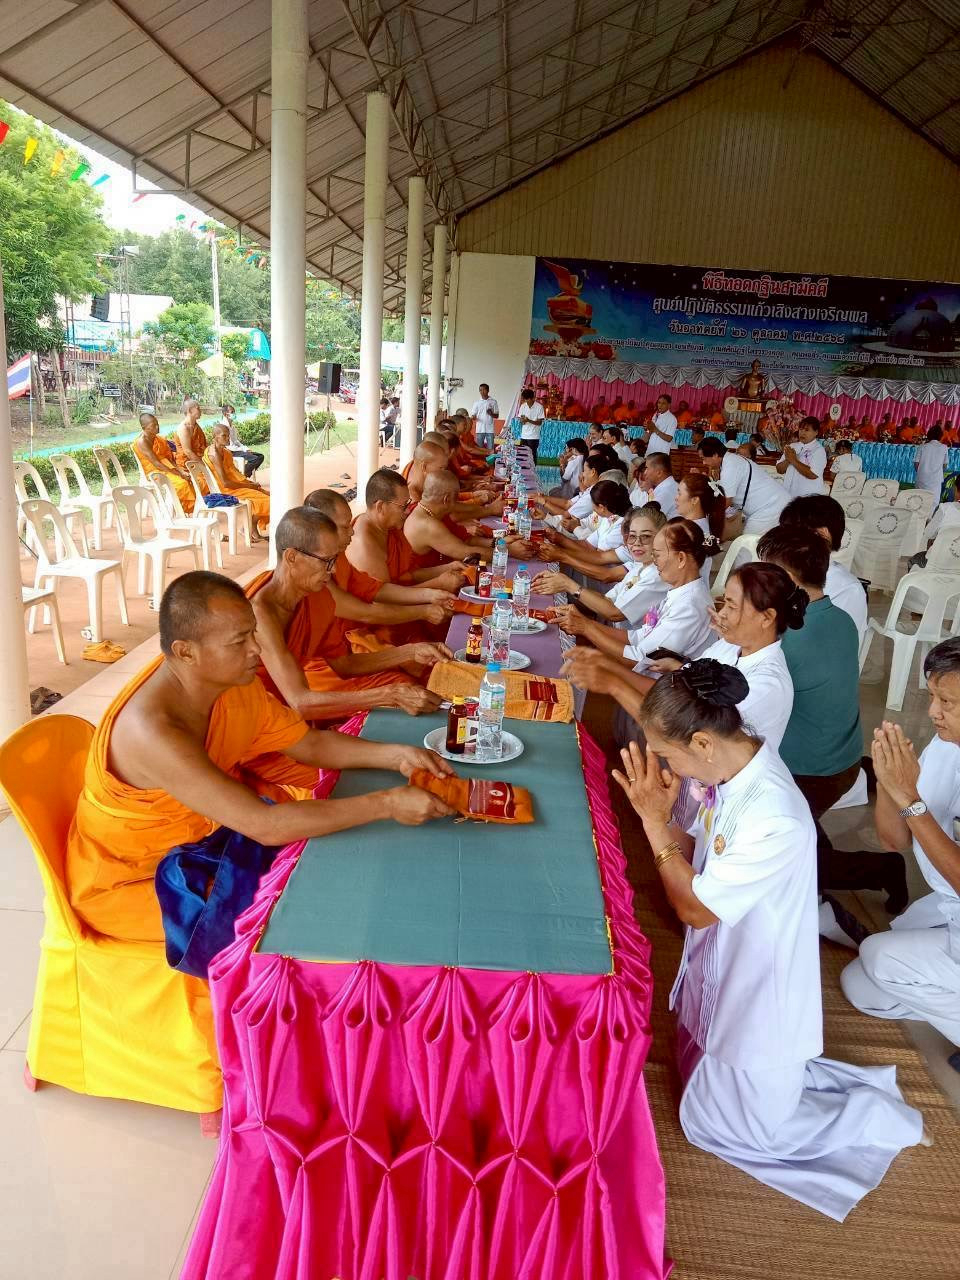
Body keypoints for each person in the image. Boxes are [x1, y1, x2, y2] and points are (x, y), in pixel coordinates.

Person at [614, 661, 923, 1221]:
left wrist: (652, 824)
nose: (667, 764)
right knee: (706, 1091)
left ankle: (878, 1120)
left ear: (704, 742)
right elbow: (695, 848)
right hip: (727, 955)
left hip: (762, 979)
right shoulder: (730, 768)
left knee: (748, 1136)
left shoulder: (774, 814)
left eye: (669, 754)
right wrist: (667, 812)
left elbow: (696, 908)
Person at [65, 571, 455, 945]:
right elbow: (265, 825)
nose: (257, 649)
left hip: (211, 839)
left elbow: (308, 745)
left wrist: (399, 755)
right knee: (291, 921)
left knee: (334, 862)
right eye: (239, 642)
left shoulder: (232, 686)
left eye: (253, 632)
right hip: (141, 879)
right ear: (186, 652)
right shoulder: (153, 732)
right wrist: (387, 803)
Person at [757, 525, 907, 926]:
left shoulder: (792, 639)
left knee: (796, 862)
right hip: (840, 758)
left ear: (787, 581)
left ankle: (884, 869)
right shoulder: (838, 617)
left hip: (811, 770)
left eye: (765, 573)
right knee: (801, 830)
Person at [841, 638, 960, 1050]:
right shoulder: (945, 746)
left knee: (878, 956)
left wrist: (910, 799)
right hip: (949, 909)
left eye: (947, 702)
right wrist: (891, 785)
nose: (932, 713)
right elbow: (896, 839)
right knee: (863, 987)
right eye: (933, 697)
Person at [248, 507, 448, 721]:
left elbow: (345, 664)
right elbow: (300, 703)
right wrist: (389, 694)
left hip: (286, 716)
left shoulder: (318, 596)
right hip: (251, 720)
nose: (333, 570)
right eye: (326, 561)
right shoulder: (259, 613)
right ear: (292, 557)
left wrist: (411, 652)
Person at [650, 562, 800, 750]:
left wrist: (616, 684)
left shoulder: (767, 685)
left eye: (732, 606)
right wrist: (677, 667)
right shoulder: (728, 647)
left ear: (767, 617)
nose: (722, 613)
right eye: (724, 602)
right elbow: (692, 678)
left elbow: (690, 725)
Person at [557, 519, 714, 679]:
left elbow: (642, 659)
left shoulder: (690, 605)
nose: (654, 560)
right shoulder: (680, 591)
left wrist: (586, 628)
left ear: (681, 559)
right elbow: (639, 636)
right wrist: (585, 623)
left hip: (664, 692)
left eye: (658, 555)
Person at [302, 488, 457, 637]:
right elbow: (365, 613)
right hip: (333, 652)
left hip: (350, 639)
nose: (352, 531)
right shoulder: (312, 574)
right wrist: (424, 610)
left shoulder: (339, 557)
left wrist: (431, 595)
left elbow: (375, 589)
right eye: (345, 526)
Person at [533, 506, 668, 630]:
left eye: (646, 537)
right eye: (632, 536)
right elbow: (607, 600)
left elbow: (615, 613)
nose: (637, 543)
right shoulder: (640, 565)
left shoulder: (657, 575)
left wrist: (569, 585)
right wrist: (568, 606)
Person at [348, 468, 468, 593]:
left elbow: (408, 574)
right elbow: (384, 602)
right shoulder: (365, 546)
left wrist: (447, 568)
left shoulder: (389, 527)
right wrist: (438, 584)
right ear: (381, 507)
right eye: (403, 506)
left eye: (408, 503)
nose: (407, 511)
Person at [778, 494, 868, 644]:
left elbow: (831, 649)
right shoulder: (787, 571)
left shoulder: (847, 589)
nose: (782, 540)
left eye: (790, 533)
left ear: (822, 535)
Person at [698, 436, 788, 535]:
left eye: (703, 458)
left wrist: (702, 513)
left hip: (770, 507)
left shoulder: (730, 465)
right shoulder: (730, 461)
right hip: (769, 506)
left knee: (747, 544)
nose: (703, 463)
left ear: (715, 455)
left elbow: (726, 501)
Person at [204, 423, 270, 539]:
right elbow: (225, 483)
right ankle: (247, 526)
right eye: (224, 436)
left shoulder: (226, 452)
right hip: (227, 490)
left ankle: (252, 527)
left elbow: (236, 475)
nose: (228, 438)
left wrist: (250, 484)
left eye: (228, 436)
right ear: (215, 437)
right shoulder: (214, 454)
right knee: (269, 501)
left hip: (236, 486)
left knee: (267, 494)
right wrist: (249, 487)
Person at [133, 413, 199, 513]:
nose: (157, 427)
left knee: (190, 478)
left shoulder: (160, 439)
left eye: (157, 424)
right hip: (154, 472)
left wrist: (180, 470)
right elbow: (157, 464)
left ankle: (185, 510)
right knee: (181, 483)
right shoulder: (142, 442)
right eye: (153, 425)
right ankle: (181, 511)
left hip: (167, 468)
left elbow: (170, 459)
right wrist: (179, 474)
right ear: (144, 427)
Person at [675, 472, 725, 581]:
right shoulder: (698, 525)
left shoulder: (692, 531)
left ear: (694, 500)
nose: (676, 498)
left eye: (679, 493)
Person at [777, 416, 827, 497]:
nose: (802, 433)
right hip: (788, 495)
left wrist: (793, 460)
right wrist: (788, 460)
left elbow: (813, 474)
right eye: (801, 429)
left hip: (808, 497)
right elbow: (779, 470)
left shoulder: (819, 450)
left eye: (807, 430)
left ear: (816, 432)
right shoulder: (792, 446)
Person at [221, 403, 264, 479]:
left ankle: (244, 475)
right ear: (226, 414)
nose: (234, 414)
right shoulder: (224, 426)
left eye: (234, 411)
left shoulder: (232, 427)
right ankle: (242, 477)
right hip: (229, 451)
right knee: (254, 458)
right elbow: (230, 446)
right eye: (232, 412)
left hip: (236, 449)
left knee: (260, 456)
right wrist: (244, 450)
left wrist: (245, 448)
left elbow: (236, 441)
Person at [631, 451, 678, 517]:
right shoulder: (668, 485)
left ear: (659, 473)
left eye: (647, 468)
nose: (645, 472)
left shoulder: (666, 492)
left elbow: (649, 519)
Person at [916, 425, 948, 506]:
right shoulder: (944, 447)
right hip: (936, 479)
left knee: (919, 500)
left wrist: (921, 472)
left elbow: (916, 463)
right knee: (933, 501)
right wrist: (939, 472)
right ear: (940, 436)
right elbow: (945, 465)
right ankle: (930, 517)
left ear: (929, 435)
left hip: (922, 477)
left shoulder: (922, 446)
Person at [517, 387, 546, 462]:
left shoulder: (539, 407)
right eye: (525, 399)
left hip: (534, 436)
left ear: (533, 398)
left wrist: (528, 420)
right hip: (524, 435)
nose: (526, 401)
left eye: (528, 399)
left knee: (532, 455)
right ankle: (524, 471)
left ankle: (532, 472)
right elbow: (520, 419)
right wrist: (522, 421)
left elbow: (539, 423)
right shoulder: (523, 406)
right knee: (523, 454)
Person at [177, 399, 208, 465]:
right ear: (190, 410)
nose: (200, 411)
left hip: (200, 458)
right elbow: (188, 452)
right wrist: (204, 466)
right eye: (198, 408)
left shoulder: (196, 426)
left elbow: (202, 446)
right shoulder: (183, 428)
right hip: (189, 463)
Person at [470, 382, 499, 448]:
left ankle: (490, 458)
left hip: (490, 429)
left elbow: (497, 416)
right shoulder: (476, 403)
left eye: (484, 390)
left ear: (488, 390)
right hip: (479, 429)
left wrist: (491, 414)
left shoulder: (493, 401)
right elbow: (473, 415)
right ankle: (480, 459)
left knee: (490, 448)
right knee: (479, 448)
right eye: (480, 390)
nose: (482, 392)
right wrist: (473, 417)